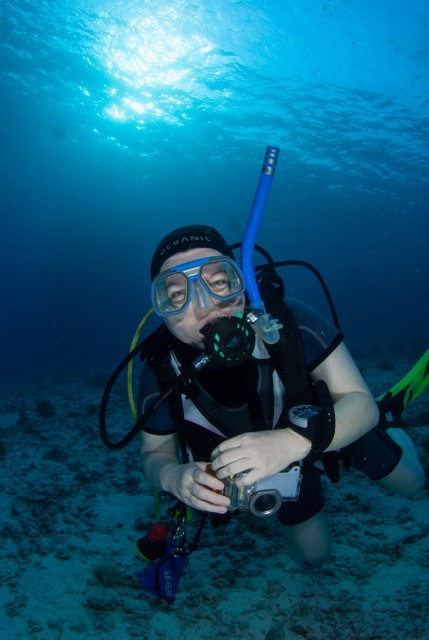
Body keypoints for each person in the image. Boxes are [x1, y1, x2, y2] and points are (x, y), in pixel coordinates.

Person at [138, 224, 425, 564]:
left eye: (218, 282)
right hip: (280, 472)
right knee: (315, 555)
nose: (205, 306)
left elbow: (361, 404)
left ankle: (392, 419)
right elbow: (154, 453)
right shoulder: (162, 370)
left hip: (329, 430)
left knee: (413, 483)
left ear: (241, 282)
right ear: (161, 308)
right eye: (177, 295)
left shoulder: (289, 321)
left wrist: (291, 443)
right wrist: (172, 476)